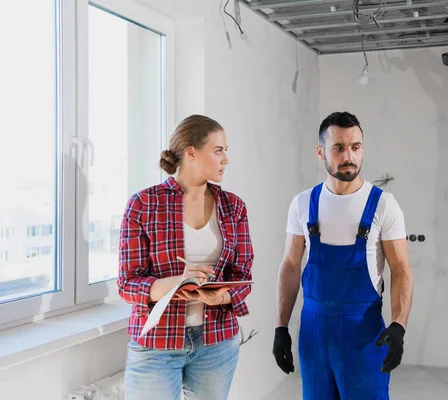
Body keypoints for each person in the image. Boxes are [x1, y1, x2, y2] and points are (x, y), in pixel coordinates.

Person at [272, 111, 414, 399]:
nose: (348, 155)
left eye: (355, 147)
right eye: (338, 148)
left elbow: (400, 270)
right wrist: (281, 326)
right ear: (320, 151)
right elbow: (290, 265)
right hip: (313, 334)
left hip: (362, 335)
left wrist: (398, 325)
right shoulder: (302, 204)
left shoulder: (384, 206)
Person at [117, 114, 253, 400]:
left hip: (217, 342)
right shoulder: (144, 204)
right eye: (219, 151)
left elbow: (242, 275)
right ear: (192, 152)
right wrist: (179, 282)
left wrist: (222, 296)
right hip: (156, 343)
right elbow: (127, 283)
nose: (226, 159)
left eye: (226, 151)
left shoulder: (233, 206)